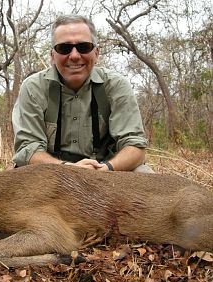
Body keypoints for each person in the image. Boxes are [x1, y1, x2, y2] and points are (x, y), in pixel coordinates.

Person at [12, 14, 153, 173]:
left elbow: (135, 147)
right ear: (52, 55)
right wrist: (69, 169)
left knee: (144, 174)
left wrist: (106, 169)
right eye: (64, 48)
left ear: (96, 53)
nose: (74, 56)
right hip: (52, 173)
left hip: (106, 170)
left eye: (84, 47)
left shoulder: (116, 86)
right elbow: (27, 148)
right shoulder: (33, 88)